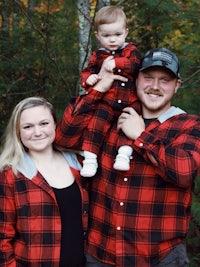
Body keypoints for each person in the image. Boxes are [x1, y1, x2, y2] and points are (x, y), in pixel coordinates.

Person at [55, 47, 200, 267]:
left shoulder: (188, 125)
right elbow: (64, 138)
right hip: (102, 254)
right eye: (148, 78)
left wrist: (141, 136)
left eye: (164, 80)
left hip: (159, 258)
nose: (154, 86)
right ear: (136, 79)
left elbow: (184, 171)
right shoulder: (110, 117)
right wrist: (98, 90)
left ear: (176, 85)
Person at [0, 97, 88, 267]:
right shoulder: (11, 175)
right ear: (17, 132)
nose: (37, 132)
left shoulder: (80, 165)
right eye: (28, 127)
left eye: (44, 123)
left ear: (55, 124)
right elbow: (2, 239)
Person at [80, 5, 142, 177]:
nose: (112, 40)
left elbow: (136, 65)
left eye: (117, 34)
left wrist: (118, 62)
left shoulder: (131, 51)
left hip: (130, 101)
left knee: (128, 127)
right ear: (98, 35)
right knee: (95, 126)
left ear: (126, 33)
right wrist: (89, 79)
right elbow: (87, 71)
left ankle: (124, 155)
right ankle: (90, 160)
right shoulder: (98, 55)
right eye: (106, 36)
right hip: (106, 102)